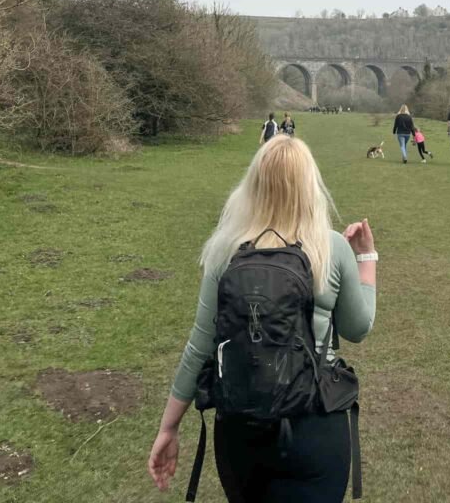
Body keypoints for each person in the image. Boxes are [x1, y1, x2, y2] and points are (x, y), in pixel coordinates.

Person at [148, 136, 377, 502]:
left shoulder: (224, 250)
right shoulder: (331, 246)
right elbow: (357, 327)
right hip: (315, 424)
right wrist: (366, 260)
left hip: (240, 425)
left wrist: (169, 426)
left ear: (253, 184)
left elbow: (200, 345)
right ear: (310, 186)